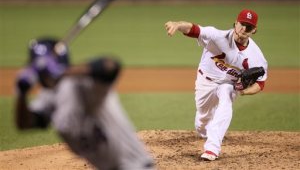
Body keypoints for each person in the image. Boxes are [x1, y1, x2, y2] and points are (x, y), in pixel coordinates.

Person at [15, 37, 155, 170]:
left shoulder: (83, 83)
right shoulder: (47, 97)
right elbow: (25, 123)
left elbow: (111, 66)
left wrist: (63, 71)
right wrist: (21, 94)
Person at [164, 9, 268, 161]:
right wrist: (178, 25)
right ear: (236, 23)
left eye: (249, 27)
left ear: (255, 30)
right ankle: (205, 130)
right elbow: (194, 29)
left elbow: (260, 84)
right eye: (242, 24)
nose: (244, 29)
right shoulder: (217, 36)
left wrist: (242, 91)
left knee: (226, 97)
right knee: (202, 121)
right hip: (205, 81)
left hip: (228, 84)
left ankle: (212, 148)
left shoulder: (257, 56)